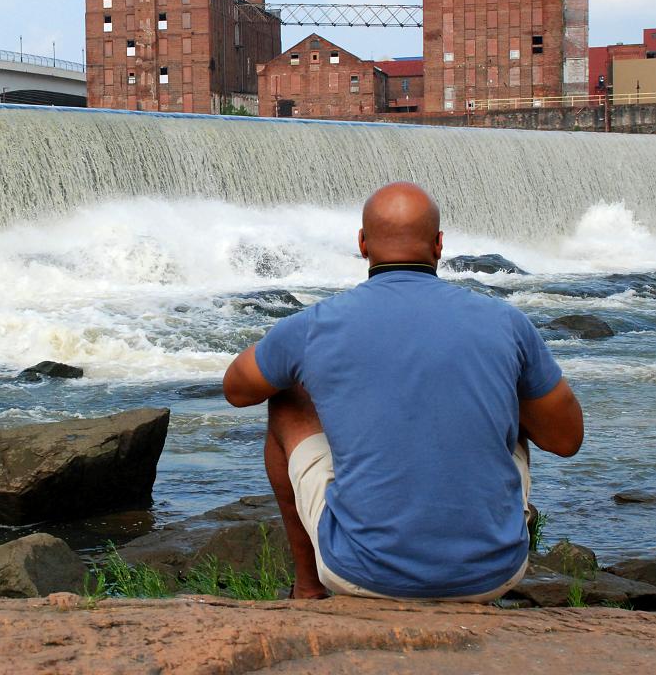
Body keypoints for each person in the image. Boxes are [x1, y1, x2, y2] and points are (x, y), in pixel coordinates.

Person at [223, 182, 583, 601]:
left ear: (362, 244)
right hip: (493, 577)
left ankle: (307, 589)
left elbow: (237, 389)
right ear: (439, 244)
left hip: (359, 574)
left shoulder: (315, 325)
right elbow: (566, 440)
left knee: (285, 396)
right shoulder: (506, 322)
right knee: (518, 399)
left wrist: (305, 363)